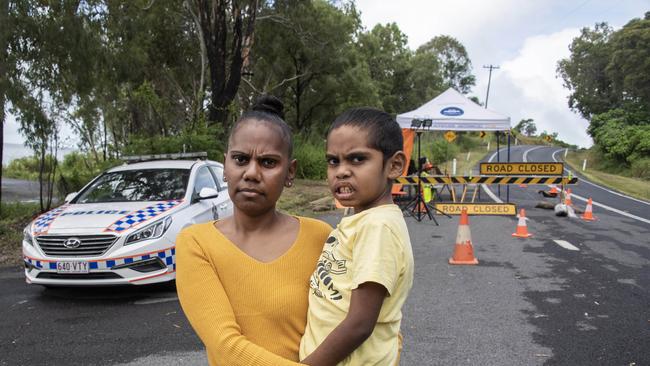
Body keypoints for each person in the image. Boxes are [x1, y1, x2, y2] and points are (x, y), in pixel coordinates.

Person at [176, 96, 332, 366]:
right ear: (225, 166)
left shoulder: (320, 237)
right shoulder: (196, 244)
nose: (251, 173)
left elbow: (358, 319)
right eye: (240, 159)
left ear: (290, 172)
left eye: (268, 162)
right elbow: (226, 347)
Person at [300, 107, 415, 365]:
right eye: (333, 161)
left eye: (357, 159)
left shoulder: (378, 227)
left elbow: (360, 324)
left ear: (394, 165)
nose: (341, 171)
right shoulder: (362, 217)